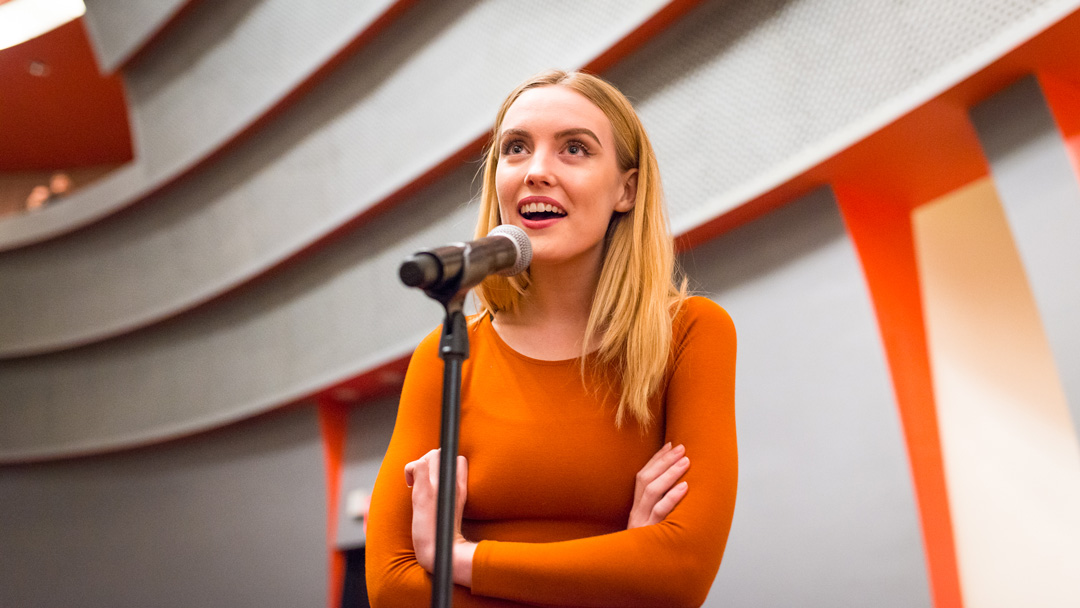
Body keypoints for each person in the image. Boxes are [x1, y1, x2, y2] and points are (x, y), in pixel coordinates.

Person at [366, 70, 737, 607]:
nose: (537, 171)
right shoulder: (446, 354)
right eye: (516, 149)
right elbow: (391, 587)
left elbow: (680, 571)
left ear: (626, 190)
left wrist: (458, 557)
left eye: (574, 150)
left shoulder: (690, 334)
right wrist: (619, 565)